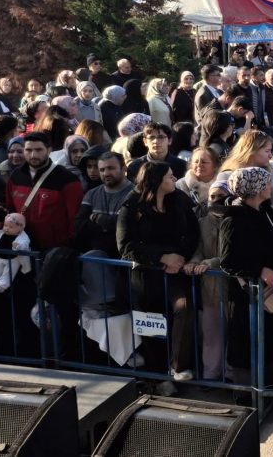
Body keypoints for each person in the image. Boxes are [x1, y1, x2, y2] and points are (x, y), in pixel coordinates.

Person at [116, 161, 200, 381]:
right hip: (146, 276)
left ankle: (178, 366)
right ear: (156, 180)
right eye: (169, 176)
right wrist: (162, 258)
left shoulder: (179, 200)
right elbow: (125, 245)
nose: (174, 179)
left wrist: (180, 258)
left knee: (184, 307)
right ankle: (157, 378)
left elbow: (193, 233)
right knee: (152, 325)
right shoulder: (132, 205)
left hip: (176, 273)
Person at [217, 167, 273, 391]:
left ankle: (268, 386)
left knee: (270, 337)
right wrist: (261, 270)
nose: (270, 187)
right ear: (255, 189)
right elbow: (228, 261)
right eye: (266, 183)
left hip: (268, 291)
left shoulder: (265, 211)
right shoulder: (234, 219)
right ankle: (246, 392)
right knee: (244, 341)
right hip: (246, 294)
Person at [4, 132, 82, 249]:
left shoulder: (67, 179)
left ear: (49, 150)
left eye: (39, 150)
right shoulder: (16, 176)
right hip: (21, 245)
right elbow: (10, 208)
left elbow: (75, 217)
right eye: (28, 150)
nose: (33, 155)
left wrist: (67, 246)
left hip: (54, 248)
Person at [76, 151, 133, 255]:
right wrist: (108, 225)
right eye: (102, 170)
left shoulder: (135, 193)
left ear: (124, 169)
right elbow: (79, 225)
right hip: (96, 256)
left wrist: (97, 218)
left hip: (123, 258)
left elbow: (128, 226)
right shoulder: (91, 194)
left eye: (111, 168)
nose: (106, 173)